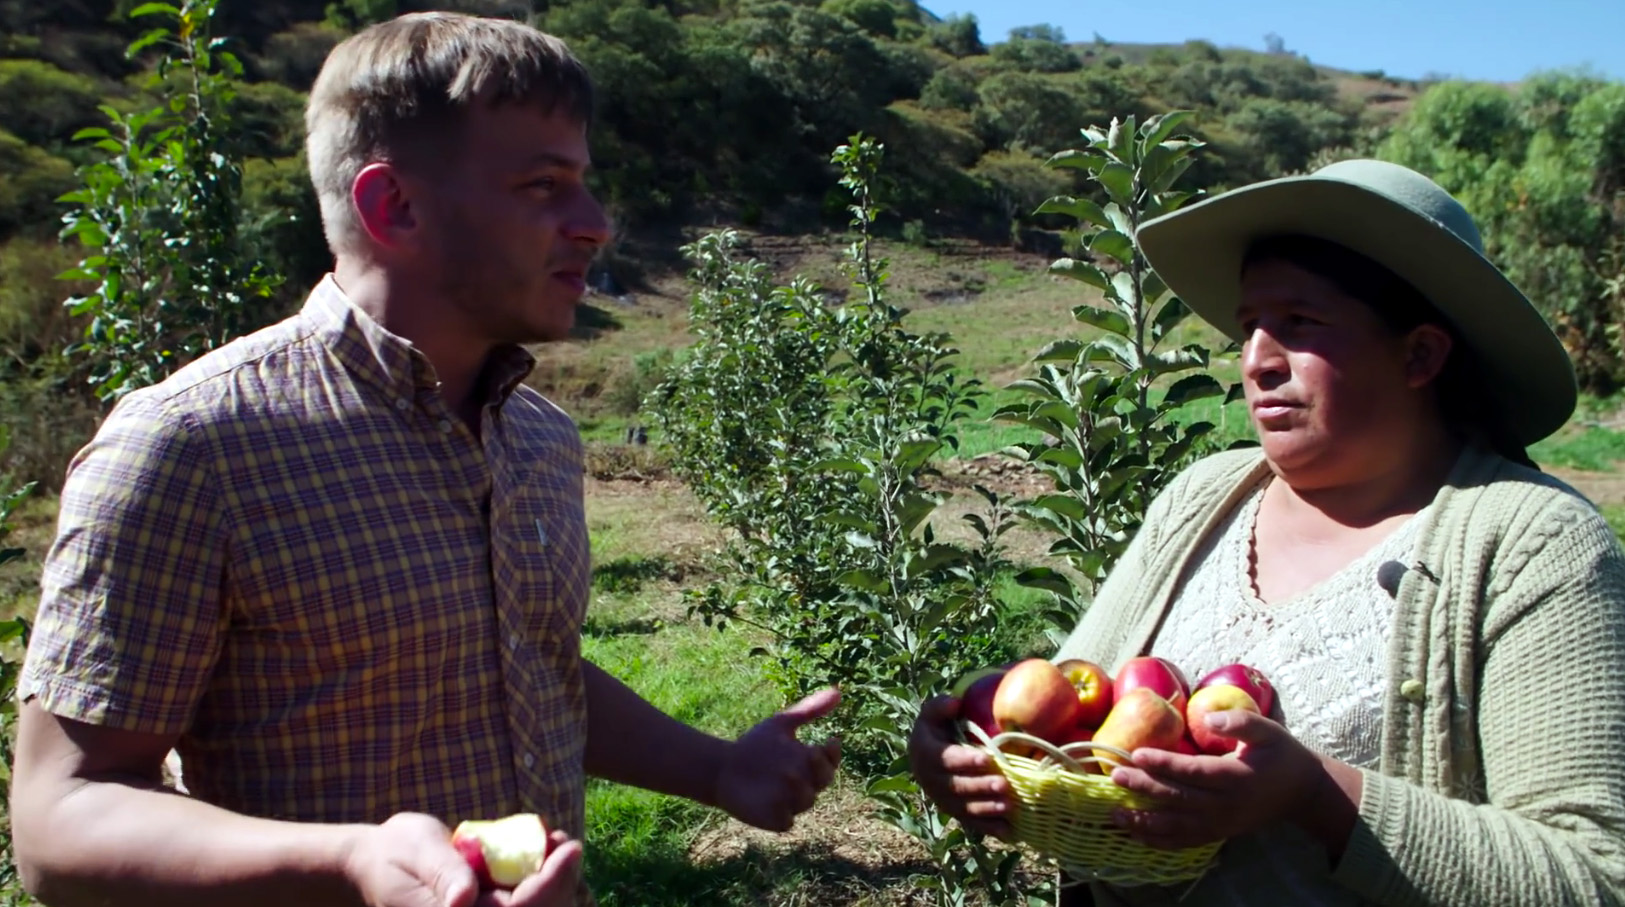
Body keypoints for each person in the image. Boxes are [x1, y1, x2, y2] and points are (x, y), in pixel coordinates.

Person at [10, 13, 841, 907]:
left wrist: (715, 770)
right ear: (393, 206)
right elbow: (64, 816)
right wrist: (350, 863)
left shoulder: (539, 437)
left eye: (583, 184)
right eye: (542, 185)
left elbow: (523, 665)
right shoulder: (191, 444)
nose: (596, 225)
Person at [909, 158, 1625, 906]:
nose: (1255, 360)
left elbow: (1594, 875)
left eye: (1300, 324)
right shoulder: (1204, 497)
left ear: (1419, 354)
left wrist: (1317, 795)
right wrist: (979, 759)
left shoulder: (1533, 543)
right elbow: (1064, 732)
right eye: (1250, 325)